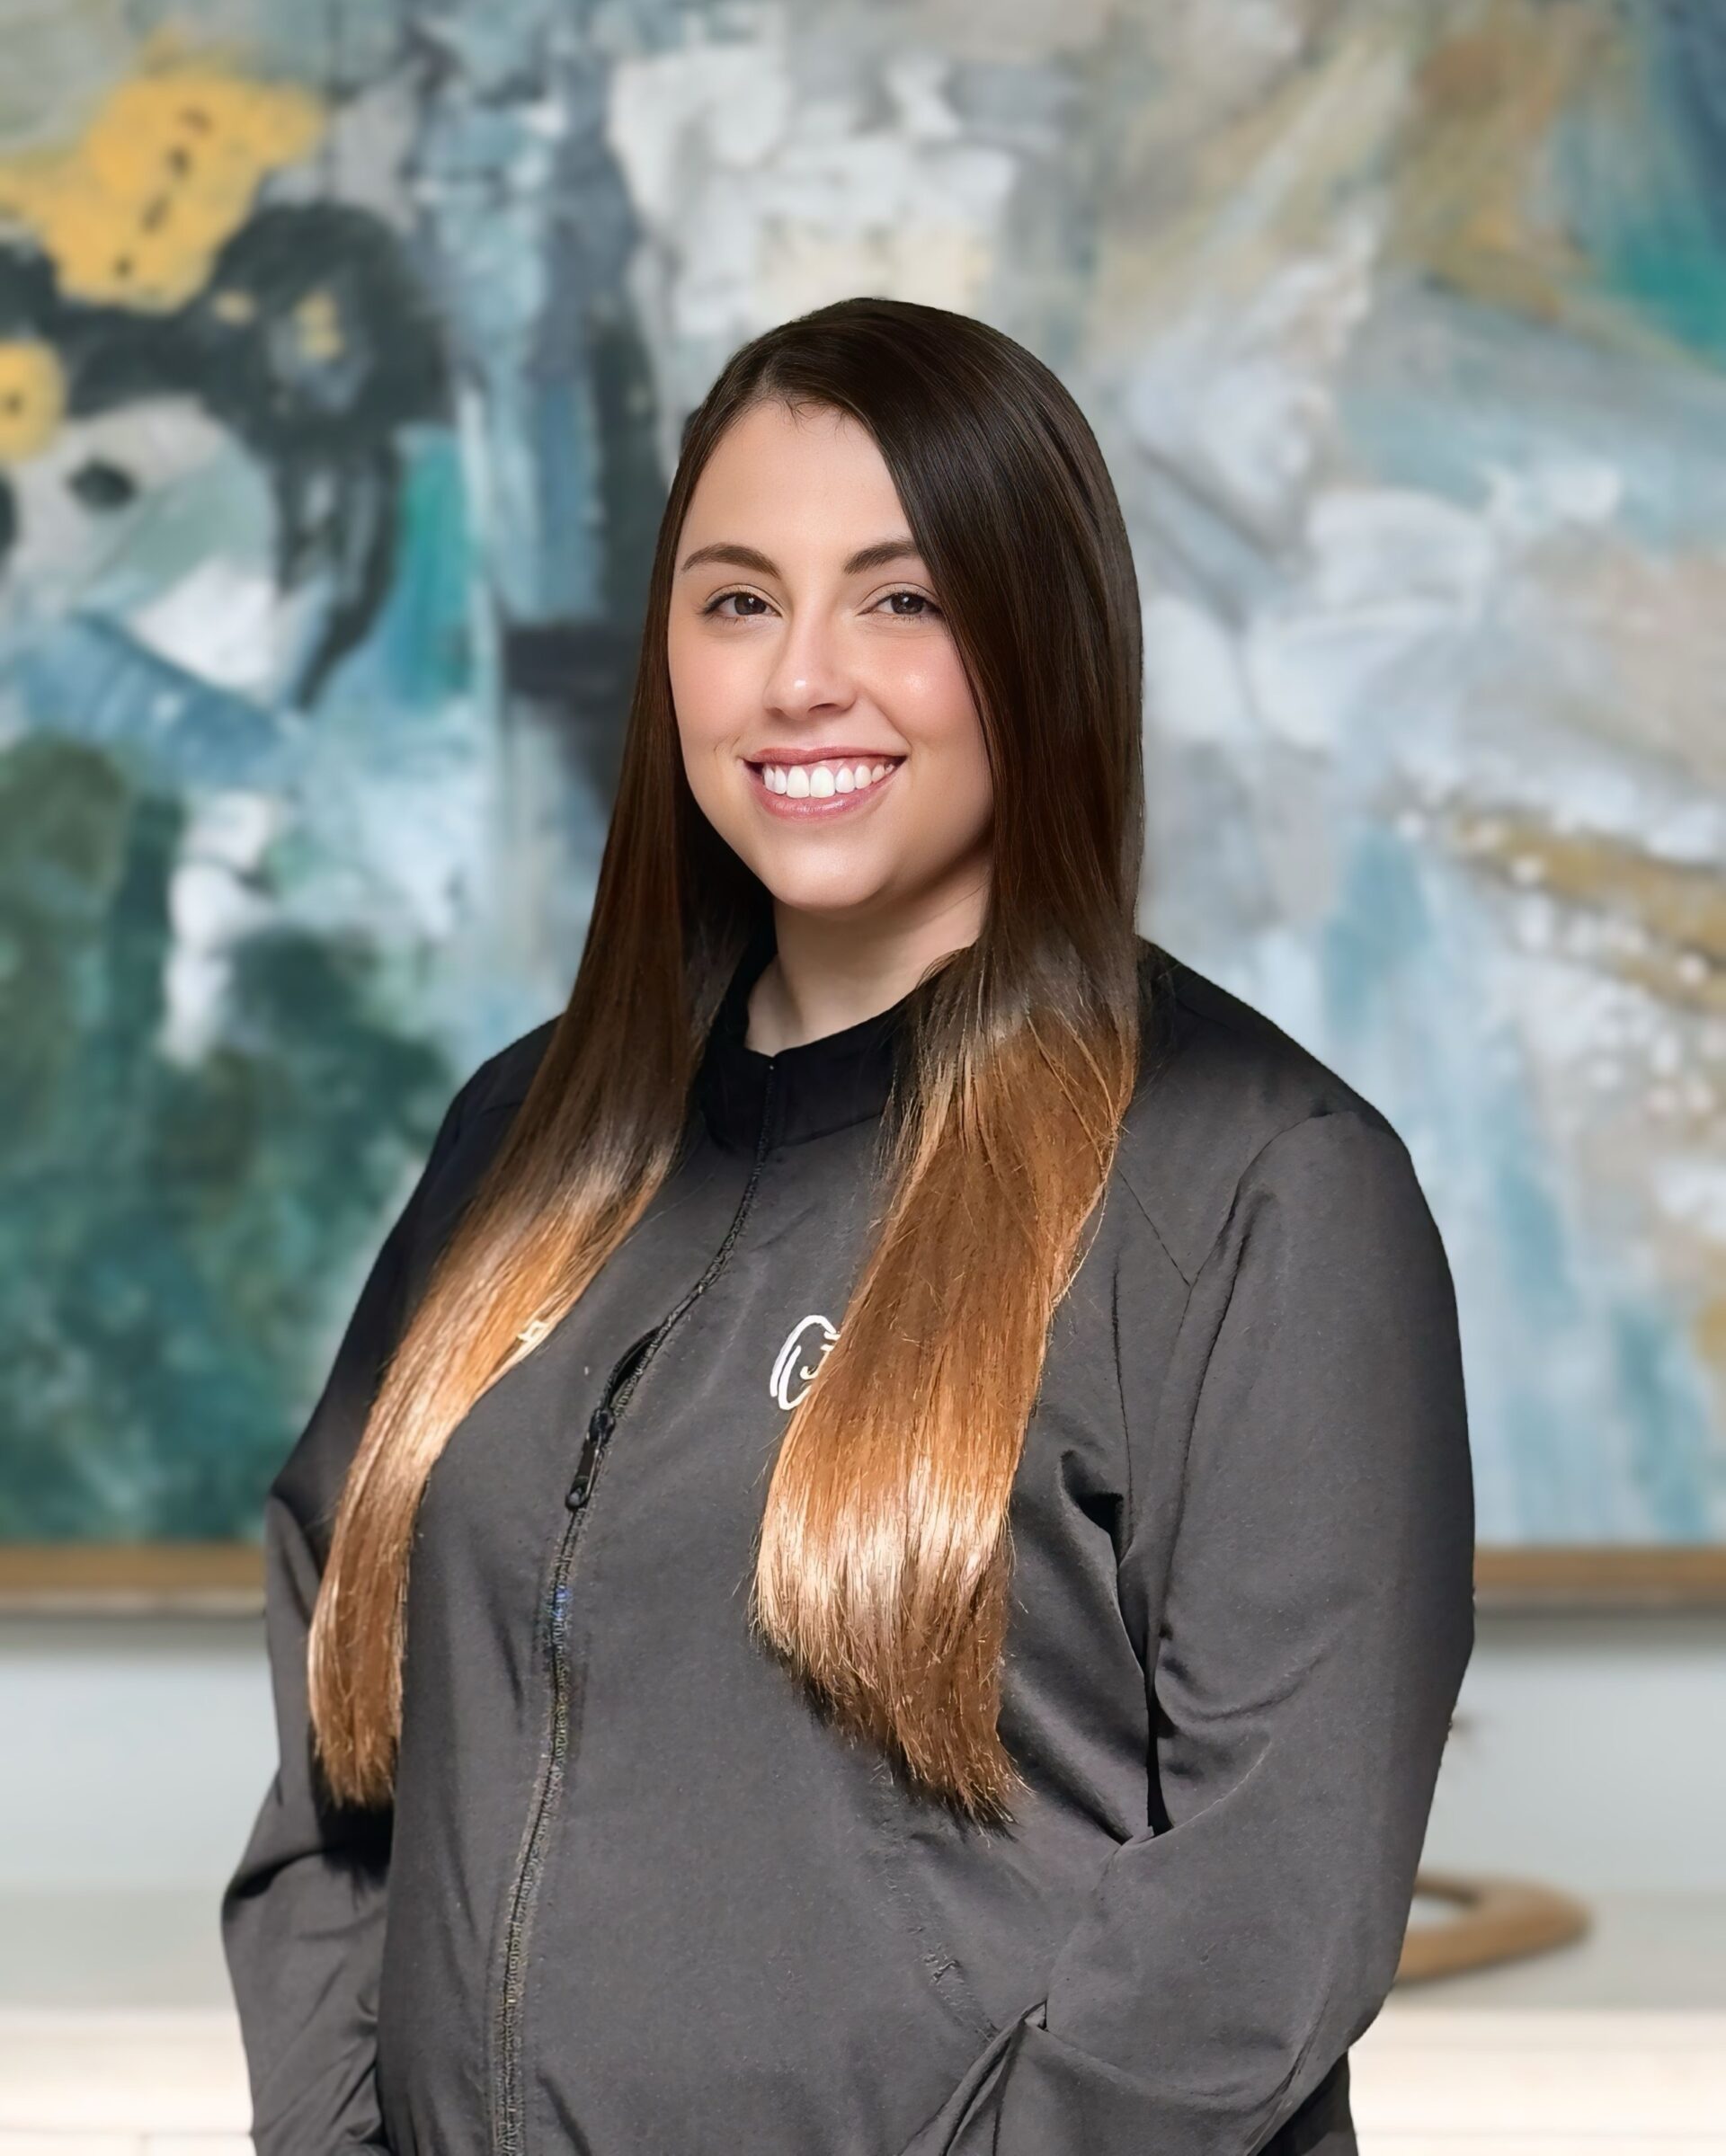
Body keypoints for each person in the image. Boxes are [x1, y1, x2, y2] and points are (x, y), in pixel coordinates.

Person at [221, 296, 1475, 2156]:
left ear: (1042, 641)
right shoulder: (525, 1134)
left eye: (903, 597)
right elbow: (345, 1717)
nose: (803, 677)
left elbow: (1261, 1916)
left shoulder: (1262, 1181)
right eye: (738, 600)